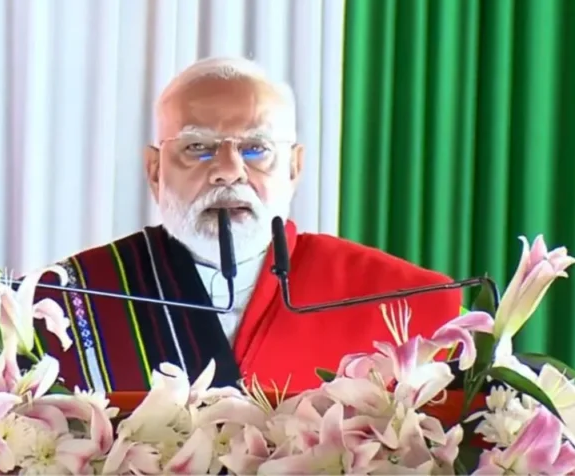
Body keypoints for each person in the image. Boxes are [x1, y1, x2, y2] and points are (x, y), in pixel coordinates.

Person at [30, 56, 462, 393]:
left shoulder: (407, 304)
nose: (228, 170)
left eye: (256, 148)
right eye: (197, 147)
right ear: (155, 170)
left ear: (293, 168)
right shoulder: (66, 302)